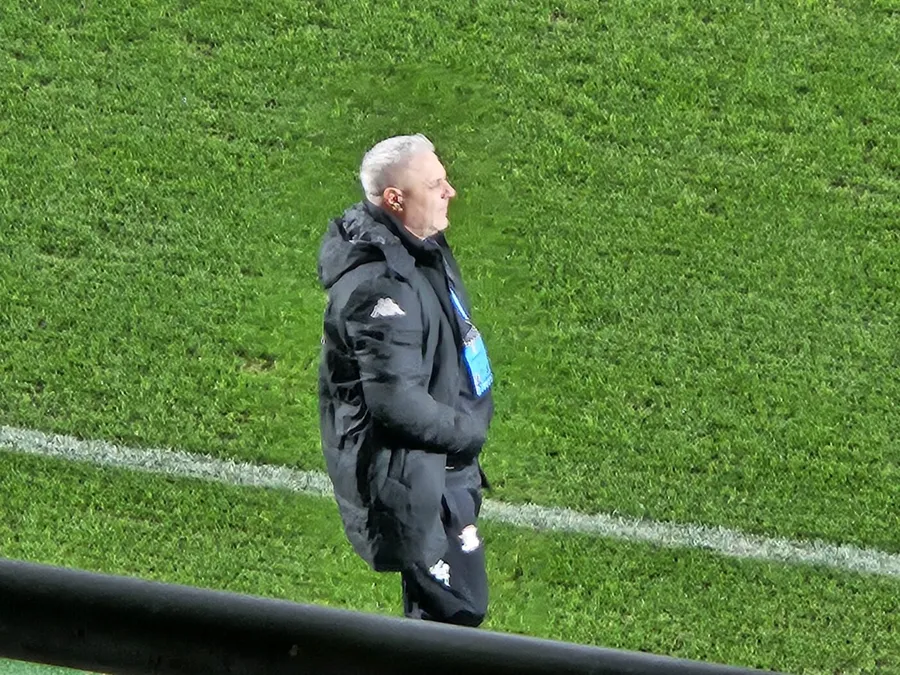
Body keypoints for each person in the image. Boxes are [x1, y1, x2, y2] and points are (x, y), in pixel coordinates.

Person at [317, 134, 495, 627]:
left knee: (443, 616)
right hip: (416, 476)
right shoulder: (381, 288)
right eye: (436, 185)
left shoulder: (419, 245)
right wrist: (467, 434)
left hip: (440, 465)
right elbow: (396, 402)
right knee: (458, 608)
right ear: (395, 200)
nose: (450, 192)